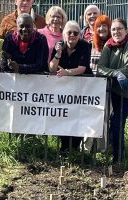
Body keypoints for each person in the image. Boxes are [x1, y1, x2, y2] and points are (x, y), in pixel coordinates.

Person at [97, 18, 128, 162]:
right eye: (114, 29)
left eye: (119, 29)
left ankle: (118, 157)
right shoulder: (109, 45)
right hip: (116, 90)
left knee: (117, 121)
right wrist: (116, 73)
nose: (116, 32)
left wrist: (114, 72)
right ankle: (116, 152)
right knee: (116, 121)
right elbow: (100, 68)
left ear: (126, 30)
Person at [49, 20, 92, 152]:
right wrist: (58, 54)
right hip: (63, 89)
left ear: (80, 35)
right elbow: (51, 69)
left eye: (75, 33)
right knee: (63, 116)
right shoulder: (59, 46)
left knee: (77, 116)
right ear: (64, 34)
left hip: (81, 89)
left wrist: (67, 72)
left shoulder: (85, 46)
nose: (72, 35)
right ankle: (64, 148)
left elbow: (82, 68)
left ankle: (74, 148)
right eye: (69, 32)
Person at [82, 15, 112, 153]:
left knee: (104, 119)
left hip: (106, 88)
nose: (101, 29)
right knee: (88, 117)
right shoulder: (90, 45)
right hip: (91, 88)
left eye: (104, 25)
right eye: (99, 26)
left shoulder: (113, 45)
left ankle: (102, 150)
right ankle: (86, 150)